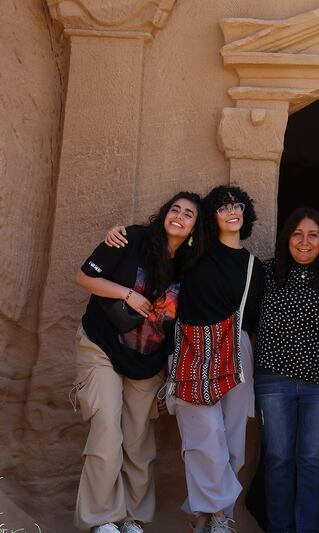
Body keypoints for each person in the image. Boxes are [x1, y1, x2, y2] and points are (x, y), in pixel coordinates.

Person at [73, 191, 204, 533]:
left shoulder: (190, 266)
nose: (179, 216)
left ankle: (131, 517)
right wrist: (127, 293)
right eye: (174, 209)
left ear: (195, 227)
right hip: (102, 346)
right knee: (105, 429)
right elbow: (85, 277)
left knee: (137, 441)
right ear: (164, 213)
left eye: (188, 214)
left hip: (147, 363)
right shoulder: (131, 239)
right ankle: (101, 518)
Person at [167, 185, 265, 533]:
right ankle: (211, 511)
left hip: (237, 350)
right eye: (223, 207)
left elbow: (255, 319)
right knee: (203, 434)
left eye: (237, 204)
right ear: (212, 216)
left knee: (233, 437)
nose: (232, 211)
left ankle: (215, 516)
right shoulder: (193, 255)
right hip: (193, 349)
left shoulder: (255, 265)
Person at [254, 207, 319, 532]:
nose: (304, 242)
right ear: (286, 237)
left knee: (312, 460)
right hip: (273, 380)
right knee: (278, 459)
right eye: (297, 234)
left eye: (313, 235)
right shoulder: (266, 273)